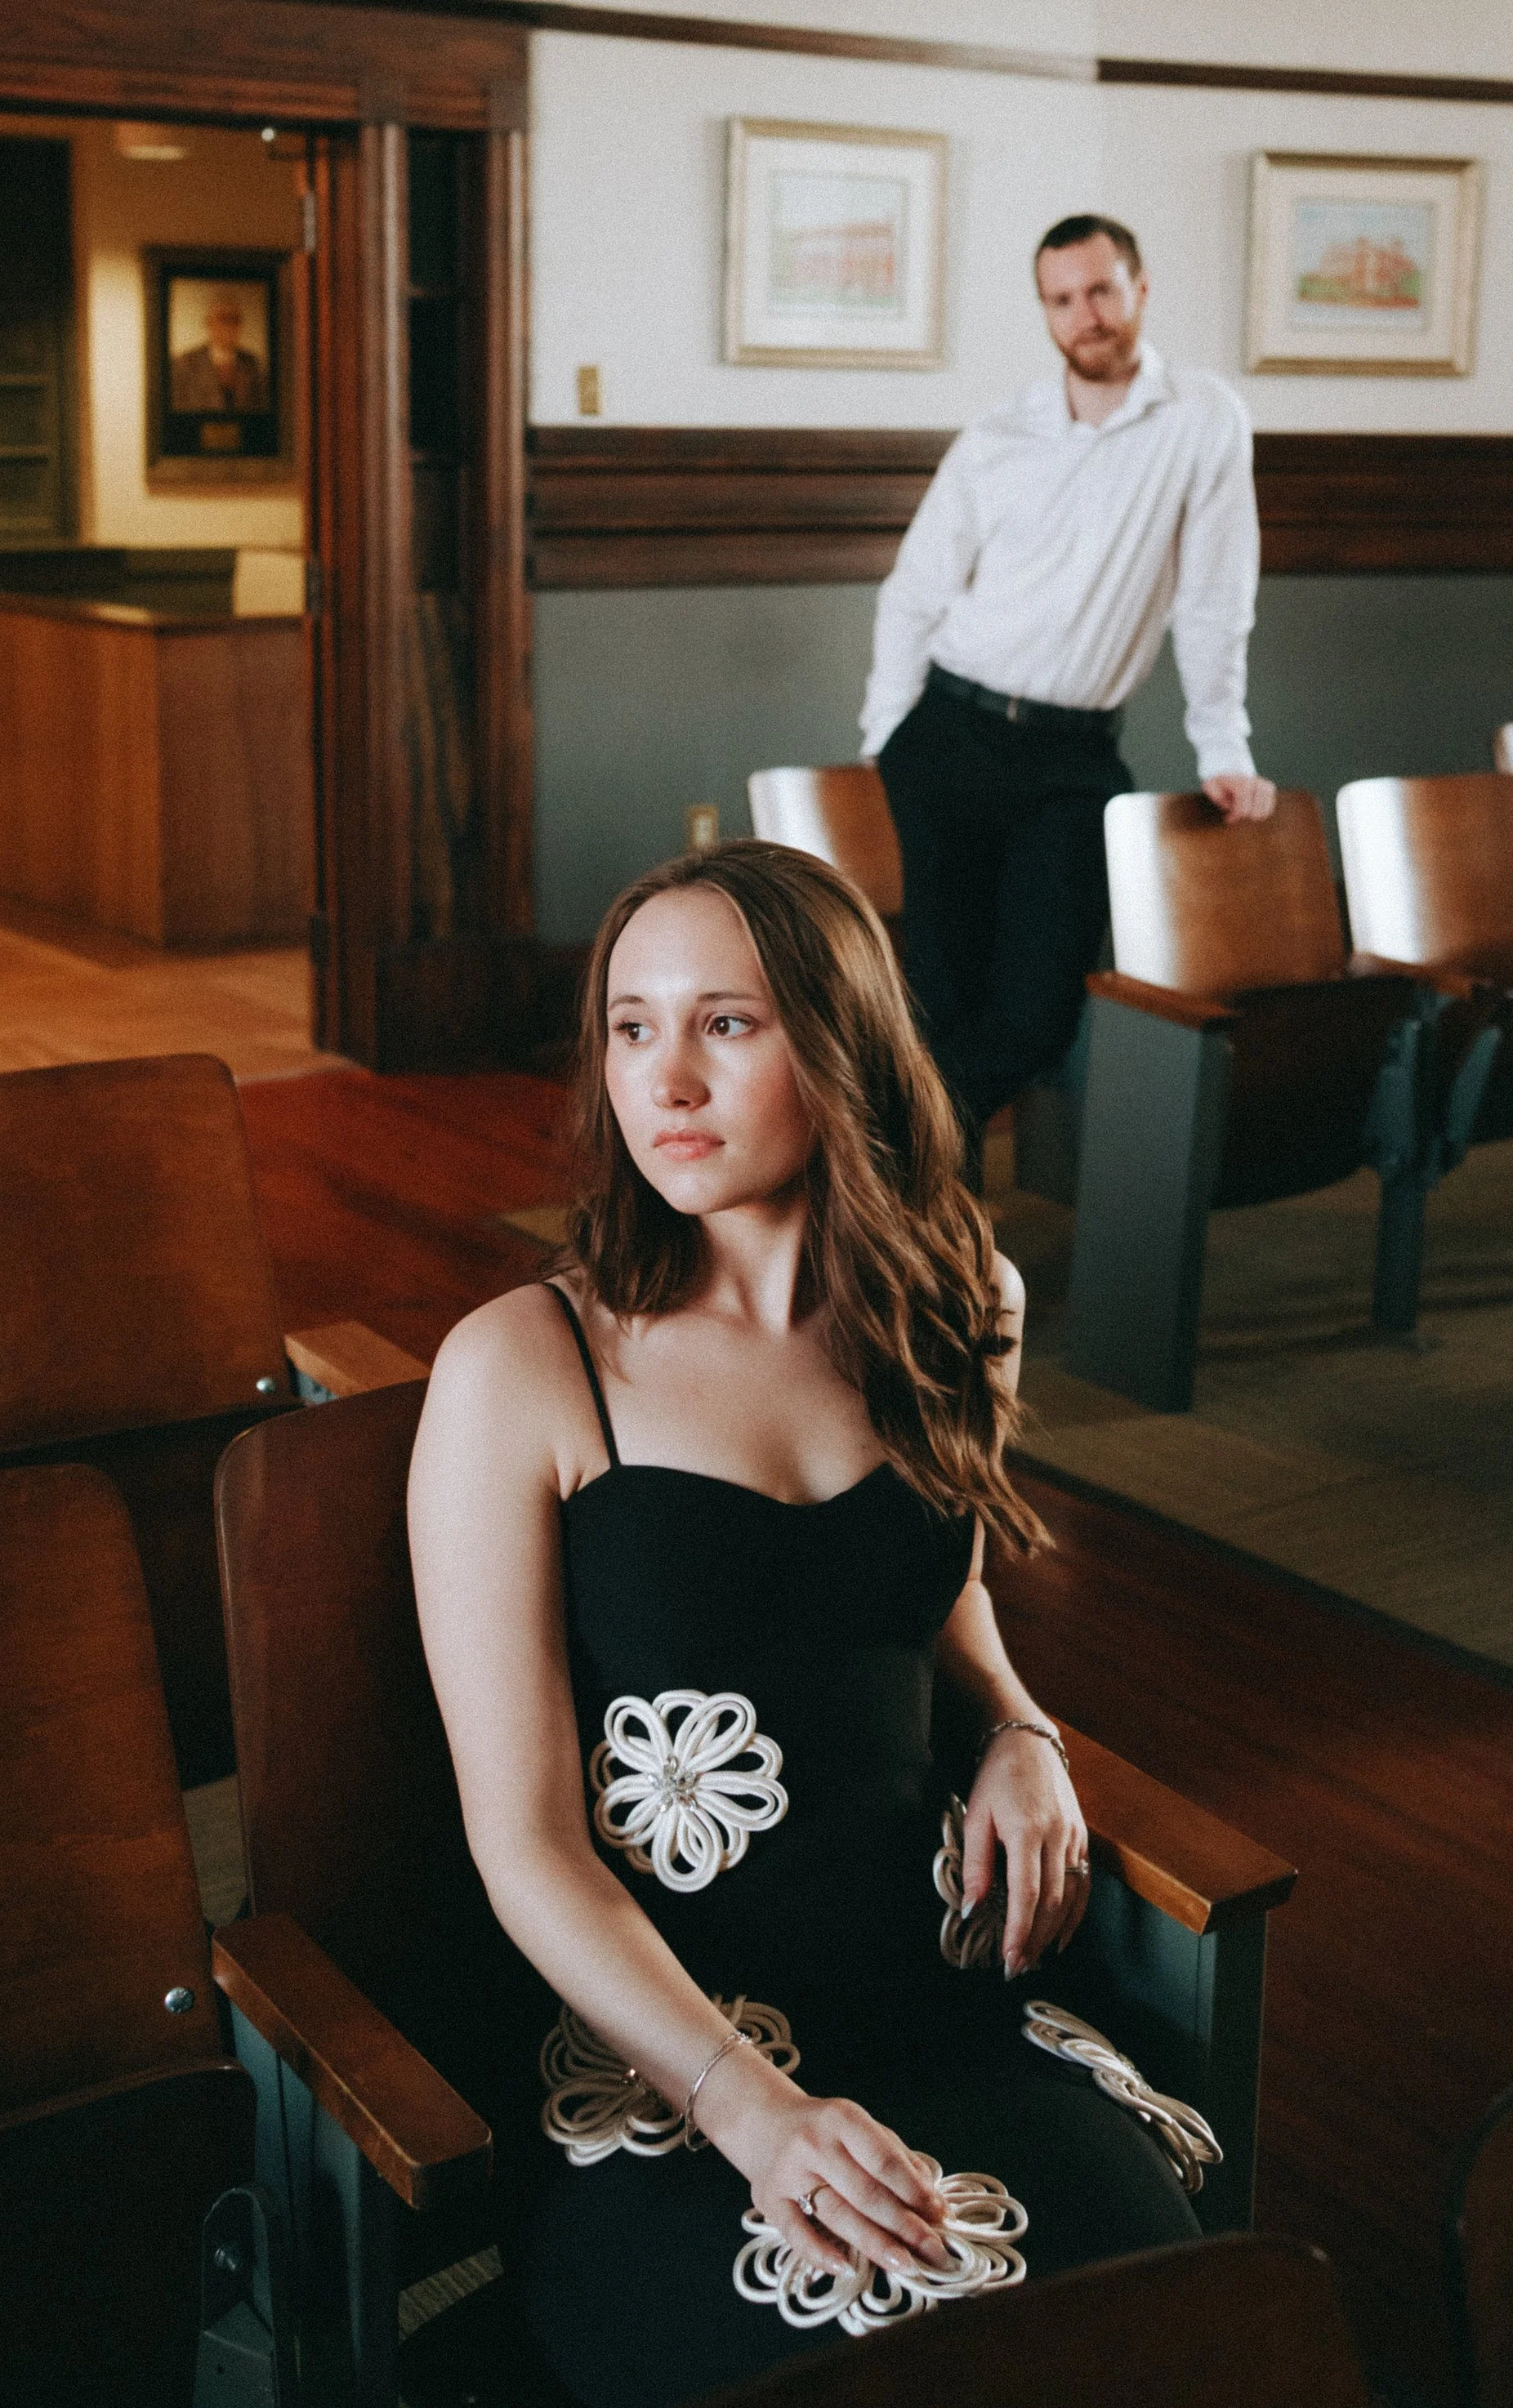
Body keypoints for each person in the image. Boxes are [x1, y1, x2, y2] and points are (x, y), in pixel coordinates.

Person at [409, 840, 1211, 2407]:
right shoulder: (521, 1365)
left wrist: (1024, 1732)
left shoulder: (960, 1292)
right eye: (631, 1028)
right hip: (668, 2044)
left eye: (727, 1022)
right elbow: (523, 1842)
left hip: (935, 1982)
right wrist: (750, 2107)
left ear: (836, 1045)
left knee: (1154, 2332)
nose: (668, 1080)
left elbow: (931, 1586)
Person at [861, 212, 1274, 1156]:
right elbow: (914, 591)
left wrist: (1223, 743)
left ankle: (880, 1164)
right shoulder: (998, 435)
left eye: (1100, 290)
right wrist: (888, 731)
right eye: (1061, 299)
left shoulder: (1204, 418)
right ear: (1044, 311)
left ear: (1139, 287)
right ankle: (933, 1264)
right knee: (937, 1007)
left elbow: (1215, 595)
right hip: (948, 736)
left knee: (1035, 1015)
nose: (1084, 315)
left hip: (1073, 757)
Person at [169, 292, 269, 415]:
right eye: (223, 319)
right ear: (209, 323)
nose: (229, 326)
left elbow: (261, 409)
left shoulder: (251, 363)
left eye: (235, 320)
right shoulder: (185, 363)